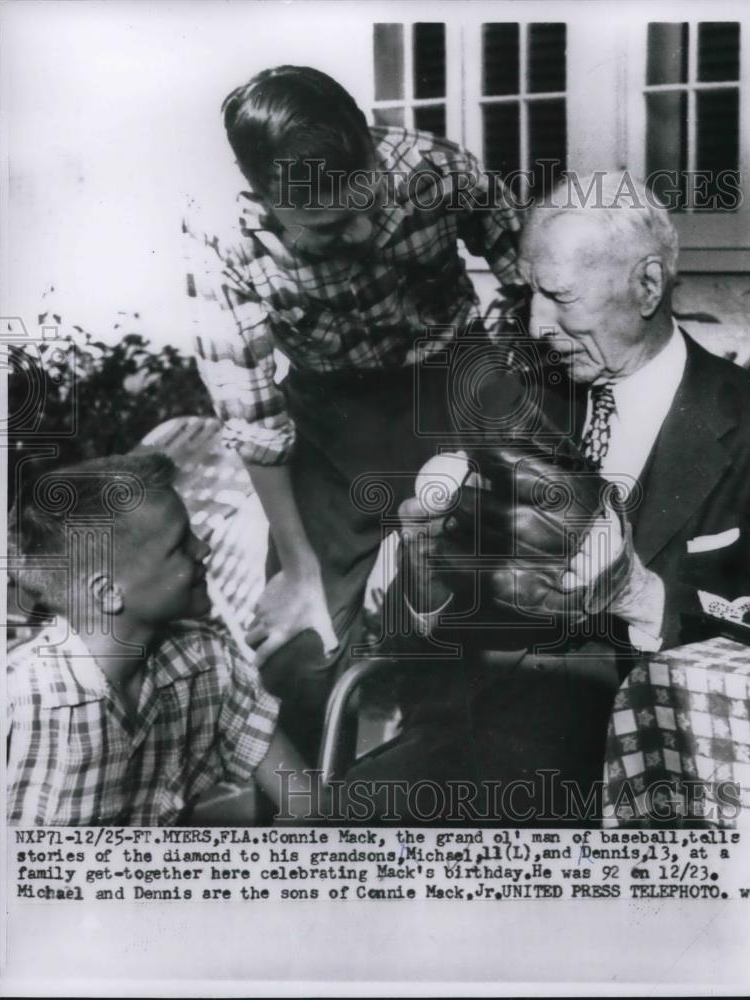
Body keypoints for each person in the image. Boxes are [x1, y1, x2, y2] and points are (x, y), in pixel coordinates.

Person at [341, 171, 750, 825]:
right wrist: (420, 557)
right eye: (527, 293)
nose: (536, 324)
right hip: (476, 746)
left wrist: (638, 596)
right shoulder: (509, 402)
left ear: (646, 285)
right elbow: (419, 632)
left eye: (559, 296)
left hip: (661, 775)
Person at [181, 65, 525, 761]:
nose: (367, 228)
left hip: (458, 385)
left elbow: (526, 267)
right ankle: (302, 831)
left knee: (462, 623)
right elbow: (254, 415)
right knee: (300, 645)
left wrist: (505, 378)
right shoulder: (220, 237)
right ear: (262, 201)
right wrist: (302, 570)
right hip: (333, 421)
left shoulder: (431, 166)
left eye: (370, 200)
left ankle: (449, 799)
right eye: (334, 224)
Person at [6, 453, 313, 826]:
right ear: (108, 593)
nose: (204, 548)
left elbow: (307, 801)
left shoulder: (207, 660)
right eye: (179, 545)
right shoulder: (20, 705)